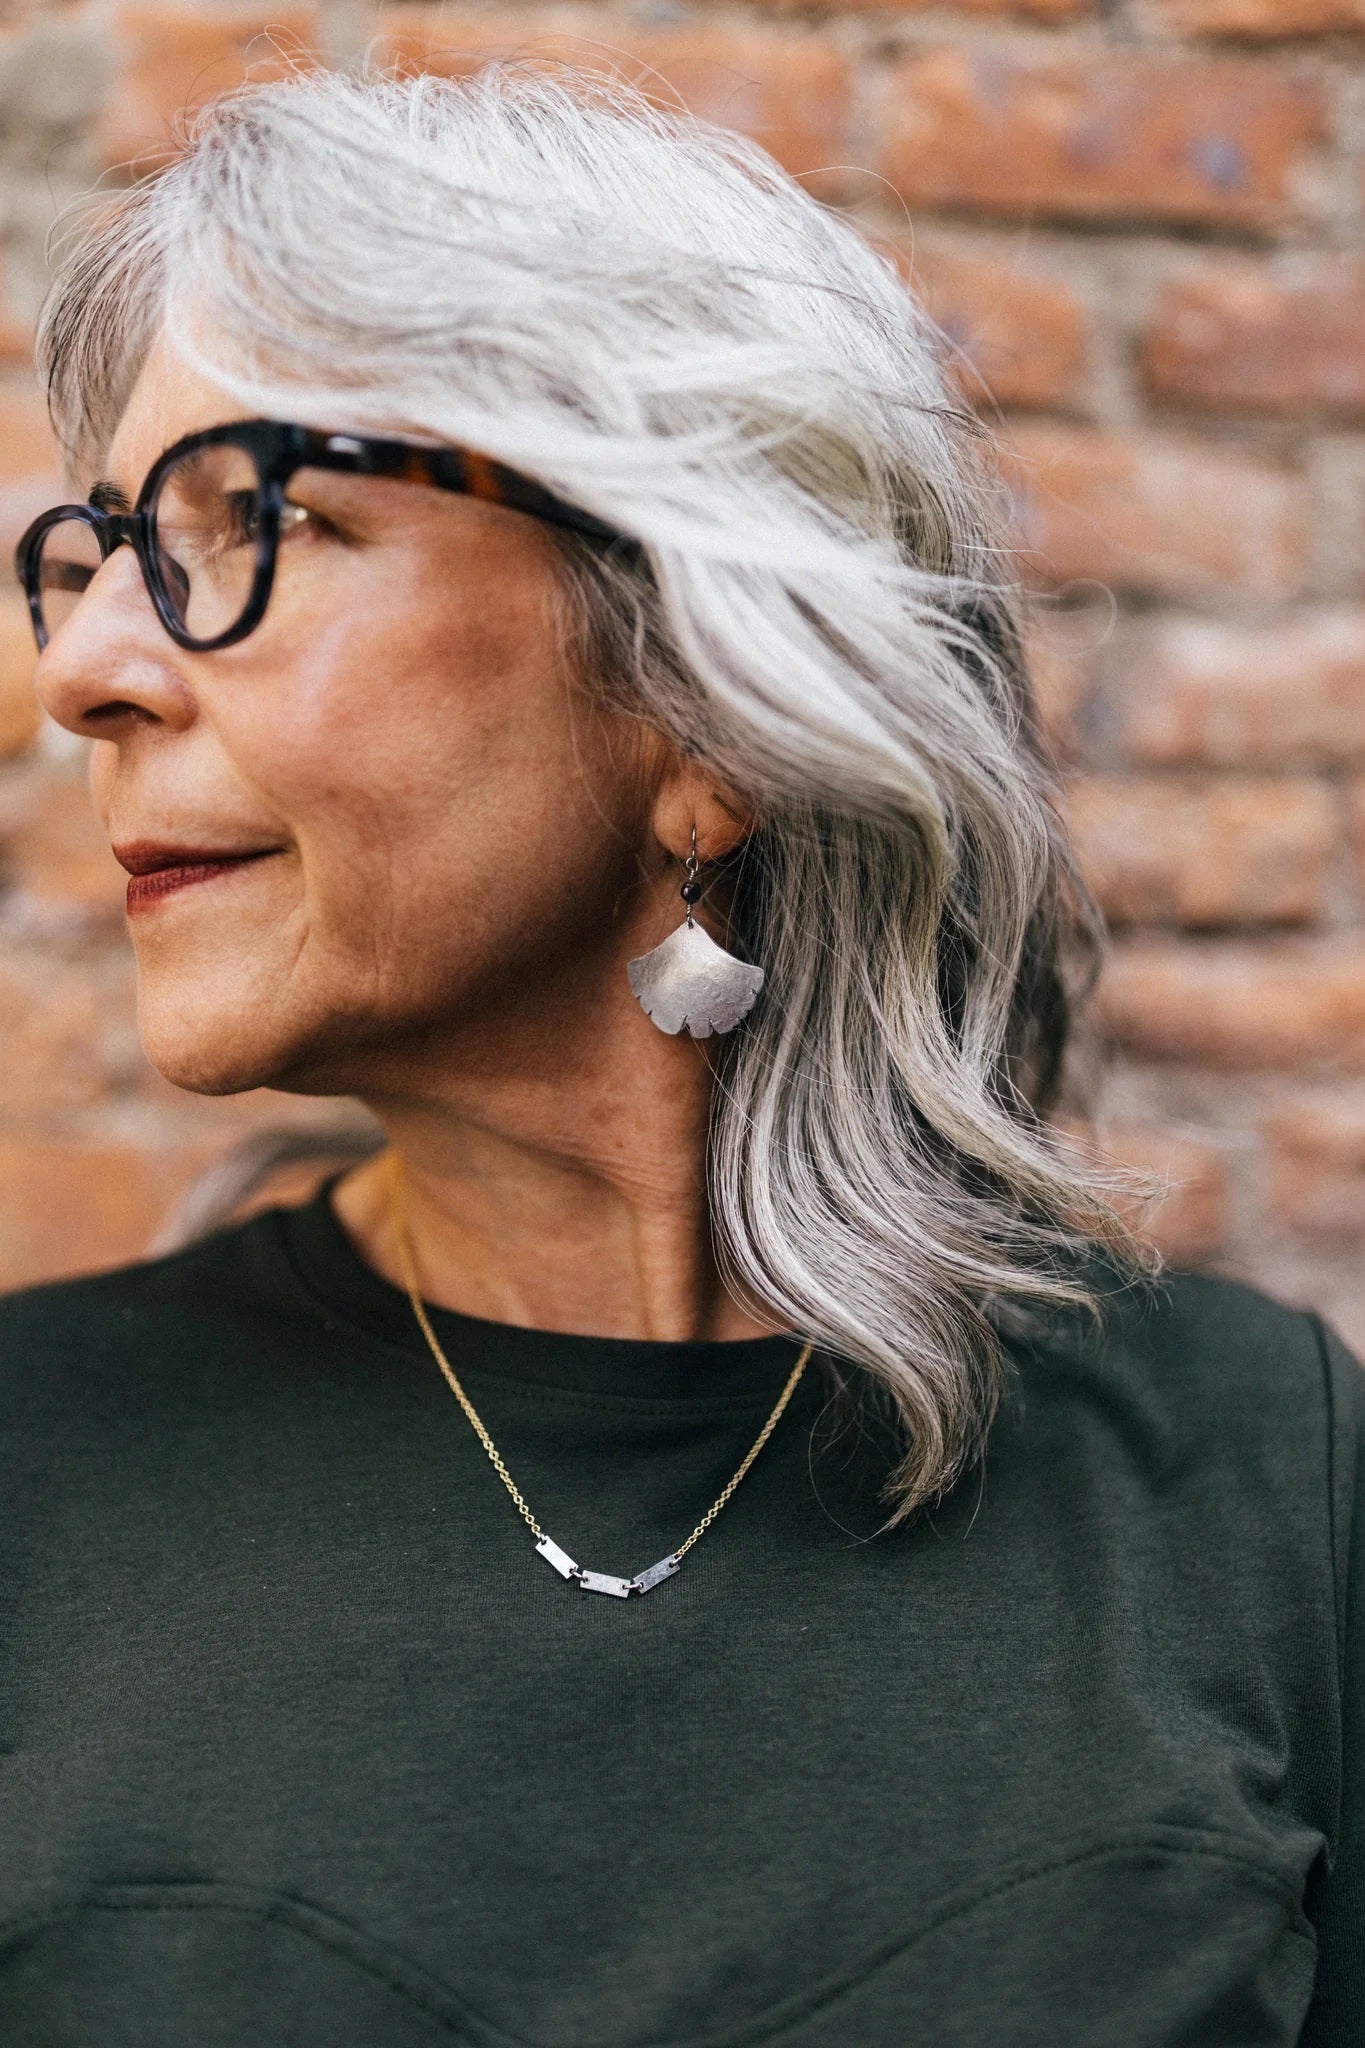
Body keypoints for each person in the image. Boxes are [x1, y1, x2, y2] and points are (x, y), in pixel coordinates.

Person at [0, 60, 1358, 2047]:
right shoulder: (37, 1479)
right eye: (103, 544)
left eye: (249, 519)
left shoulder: (1253, 1486)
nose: (87, 669)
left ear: (702, 699)